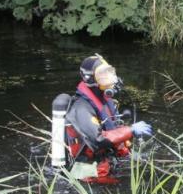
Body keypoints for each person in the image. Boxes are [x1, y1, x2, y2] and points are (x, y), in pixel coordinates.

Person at [64, 54, 152, 184]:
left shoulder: (104, 99)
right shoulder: (81, 109)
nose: (108, 78)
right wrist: (130, 130)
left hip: (104, 161)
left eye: (109, 72)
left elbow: (112, 127)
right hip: (86, 171)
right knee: (122, 189)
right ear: (90, 78)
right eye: (102, 75)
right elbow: (97, 139)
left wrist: (127, 153)